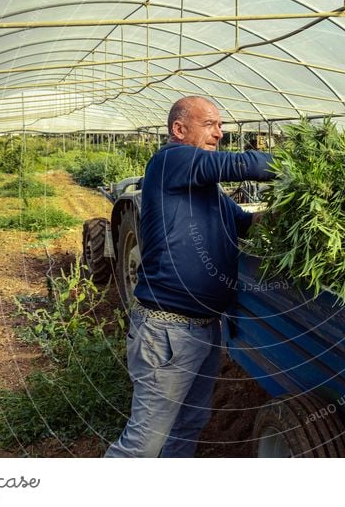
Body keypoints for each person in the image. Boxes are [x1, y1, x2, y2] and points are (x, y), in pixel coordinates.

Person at [105, 96, 275, 458]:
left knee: (187, 429)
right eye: (211, 124)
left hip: (204, 329)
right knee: (141, 446)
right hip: (168, 332)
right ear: (179, 130)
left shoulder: (206, 190)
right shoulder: (170, 161)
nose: (220, 132)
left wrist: (289, 211)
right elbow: (246, 164)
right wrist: (304, 166)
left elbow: (245, 224)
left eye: (221, 125)